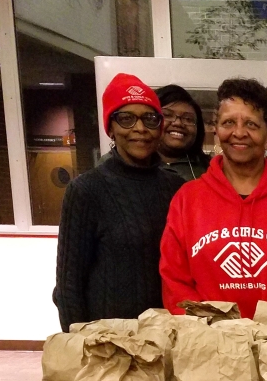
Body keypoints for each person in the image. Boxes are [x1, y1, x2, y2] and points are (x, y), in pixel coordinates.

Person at [159, 78, 267, 320]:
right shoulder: (187, 199)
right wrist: (214, 331)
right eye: (228, 122)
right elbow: (175, 282)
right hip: (205, 339)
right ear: (216, 131)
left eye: (251, 124)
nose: (239, 133)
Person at [53, 73, 185, 332]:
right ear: (110, 128)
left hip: (169, 335)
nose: (140, 128)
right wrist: (80, 342)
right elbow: (69, 285)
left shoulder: (176, 188)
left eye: (150, 119)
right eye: (126, 118)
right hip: (110, 341)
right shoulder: (86, 190)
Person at [155, 84, 211, 181]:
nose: (178, 123)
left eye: (188, 119)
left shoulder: (211, 170)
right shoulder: (135, 164)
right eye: (167, 115)